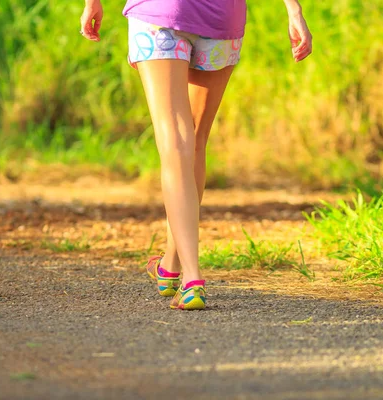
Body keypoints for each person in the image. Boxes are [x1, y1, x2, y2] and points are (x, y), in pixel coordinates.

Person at [80, 0, 312, 310]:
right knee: (195, 141)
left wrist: (92, 3)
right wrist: (293, 11)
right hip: (221, 19)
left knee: (176, 141)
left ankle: (192, 279)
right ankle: (170, 265)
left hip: (160, 14)